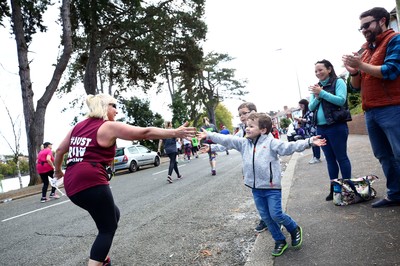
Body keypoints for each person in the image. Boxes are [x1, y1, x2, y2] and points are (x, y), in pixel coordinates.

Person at [53, 94, 195, 266]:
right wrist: (175, 132)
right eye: (114, 106)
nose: (117, 110)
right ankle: (99, 260)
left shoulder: (77, 127)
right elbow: (145, 133)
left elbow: (60, 150)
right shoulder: (107, 127)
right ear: (105, 106)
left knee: (114, 214)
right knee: (107, 229)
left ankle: (102, 257)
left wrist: (58, 172)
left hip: (72, 184)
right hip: (91, 180)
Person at [197, 112, 326, 256]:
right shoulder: (244, 143)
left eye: (251, 126)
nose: (247, 128)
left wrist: (308, 141)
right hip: (256, 188)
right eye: (247, 126)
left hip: (271, 188)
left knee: (276, 215)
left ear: (263, 130)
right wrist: (210, 136)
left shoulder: (271, 142)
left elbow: (289, 146)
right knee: (266, 217)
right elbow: (227, 139)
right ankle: (279, 240)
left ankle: (294, 228)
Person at [342, 7, 400, 208]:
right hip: (371, 110)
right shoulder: (366, 49)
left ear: (382, 20)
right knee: (384, 155)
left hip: (393, 107)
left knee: (399, 153)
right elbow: (356, 87)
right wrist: (355, 71)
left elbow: (391, 71)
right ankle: (395, 194)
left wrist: (361, 65)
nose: (364, 30)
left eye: (367, 25)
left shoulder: (395, 40)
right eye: (361, 28)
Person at [309, 59, 353, 201]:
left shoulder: (338, 82)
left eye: (320, 69)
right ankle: (335, 189)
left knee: (341, 157)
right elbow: (311, 107)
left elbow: (341, 100)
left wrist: (321, 93)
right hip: (321, 128)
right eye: (315, 71)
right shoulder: (317, 87)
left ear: (329, 69)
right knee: (329, 159)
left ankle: (347, 188)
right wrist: (317, 95)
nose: (318, 73)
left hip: (336, 126)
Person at [294, 99, 321, 164]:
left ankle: (317, 157)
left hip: (312, 129)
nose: (300, 107)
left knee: (315, 143)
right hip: (309, 130)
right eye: (300, 105)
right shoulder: (305, 111)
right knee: (312, 143)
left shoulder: (310, 109)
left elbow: (310, 120)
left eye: (301, 105)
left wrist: (300, 119)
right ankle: (315, 156)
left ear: (305, 104)